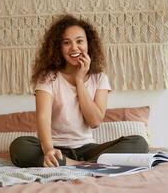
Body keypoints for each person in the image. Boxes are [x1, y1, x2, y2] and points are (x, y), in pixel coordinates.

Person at [9, 14, 149, 168]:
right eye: (66, 43)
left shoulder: (99, 78)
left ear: (88, 44)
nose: (74, 48)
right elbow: (43, 118)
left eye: (79, 41)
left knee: (139, 143)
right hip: (56, 148)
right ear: (58, 47)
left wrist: (79, 80)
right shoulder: (48, 78)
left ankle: (74, 164)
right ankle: (82, 165)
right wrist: (49, 149)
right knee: (19, 147)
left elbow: (94, 121)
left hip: (89, 149)